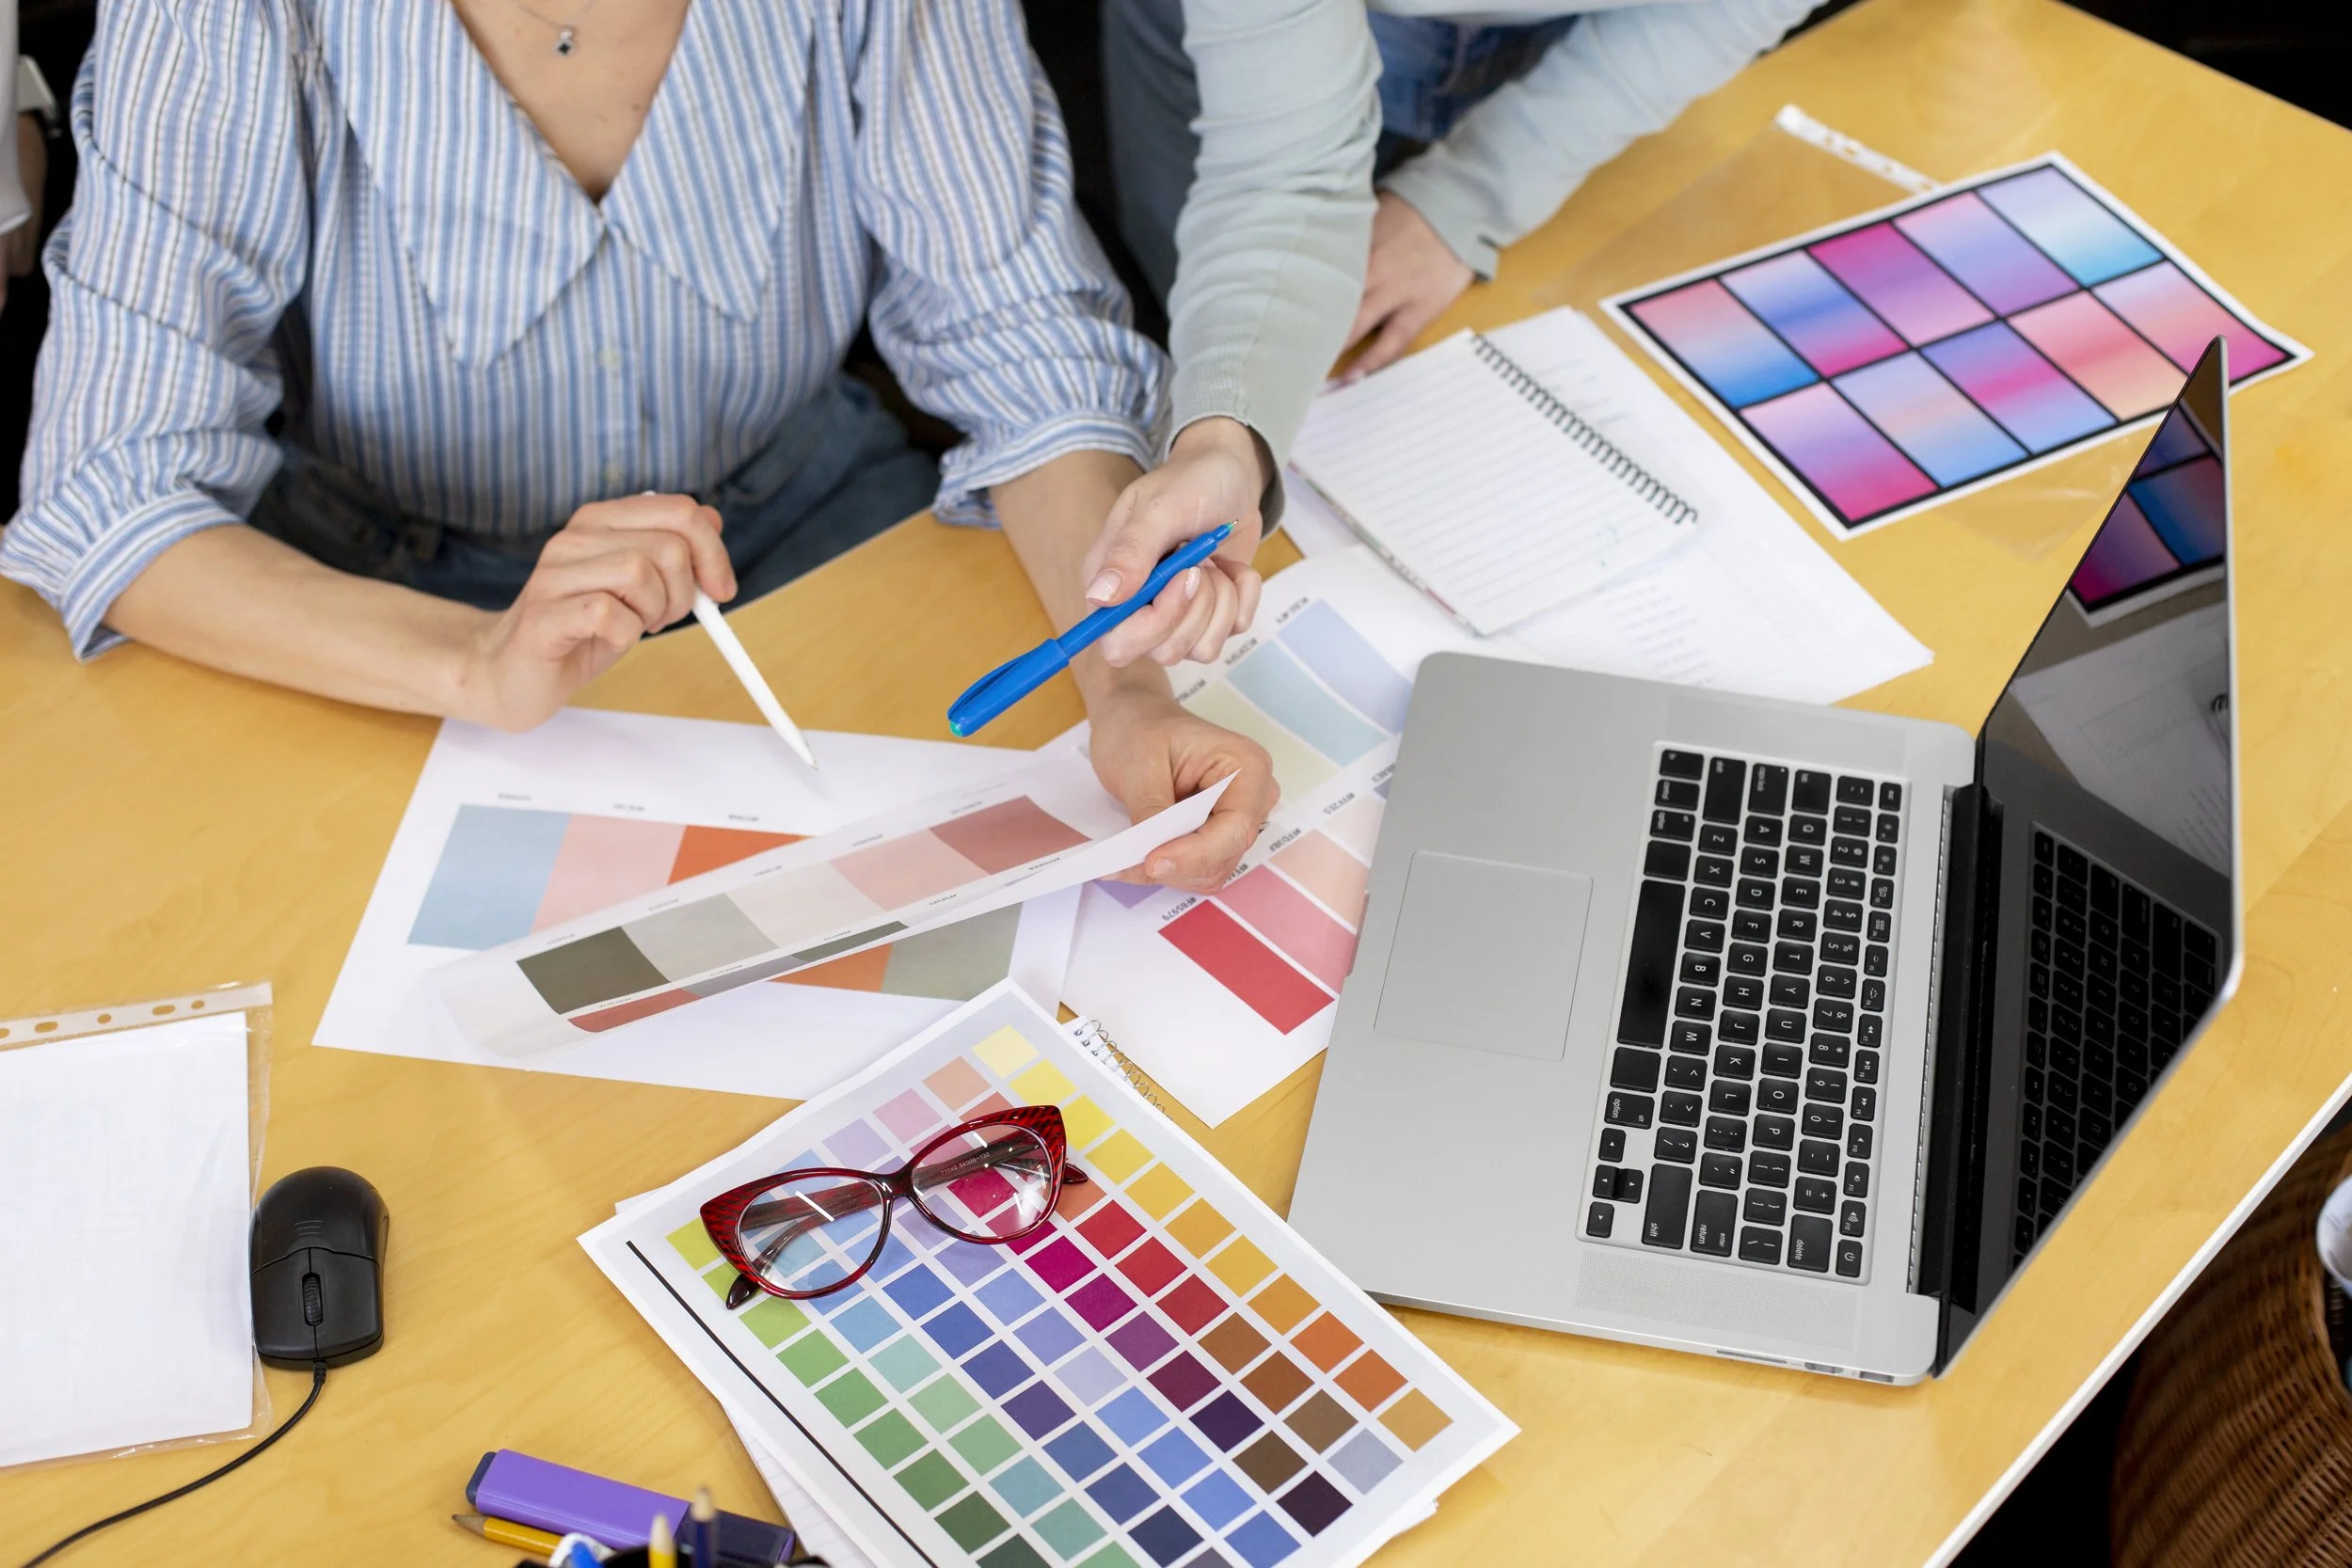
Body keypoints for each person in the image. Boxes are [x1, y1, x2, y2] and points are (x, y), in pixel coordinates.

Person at [0, 0, 1275, 893]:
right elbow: (110, 486)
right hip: (383, 603)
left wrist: (1126, 689)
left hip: (804, 515)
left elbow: (1026, 346)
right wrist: (476, 659)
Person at [1078, 0, 1818, 673]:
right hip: (1255, 63)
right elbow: (1282, 183)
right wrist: (1224, 441)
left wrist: (1472, 191)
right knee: (1221, 336)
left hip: (1584, 43)